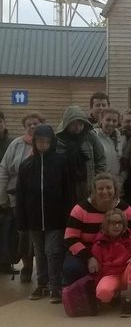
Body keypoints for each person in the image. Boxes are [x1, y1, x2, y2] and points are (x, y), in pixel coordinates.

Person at [15, 124, 71, 303]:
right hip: (33, 219)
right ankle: (42, 284)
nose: (43, 145)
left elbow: (68, 192)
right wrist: (21, 221)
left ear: (52, 142)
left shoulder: (61, 162)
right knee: (39, 252)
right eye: (40, 142)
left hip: (55, 218)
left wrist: (68, 217)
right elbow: (20, 195)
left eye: (47, 142)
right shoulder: (26, 165)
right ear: (34, 142)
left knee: (52, 251)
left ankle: (56, 287)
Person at [63, 173, 131, 286]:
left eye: (109, 188)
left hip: (115, 251)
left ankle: (116, 290)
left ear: (115, 189)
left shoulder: (125, 208)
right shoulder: (80, 209)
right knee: (72, 268)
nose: (105, 192)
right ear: (93, 191)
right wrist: (89, 258)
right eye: (100, 188)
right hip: (87, 250)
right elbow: (70, 238)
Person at [0, 112, 44, 277]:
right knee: (23, 234)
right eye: (29, 124)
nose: (33, 126)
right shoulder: (16, 145)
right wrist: (2, 196)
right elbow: (4, 169)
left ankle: (42, 271)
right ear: (24, 127)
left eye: (36, 123)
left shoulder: (48, 143)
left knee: (40, 234)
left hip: (40, 198)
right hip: (17, 197)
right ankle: (26, 267)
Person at [91, 208, 131, 317]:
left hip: (126, 273)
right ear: (106, 225)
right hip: (110, 274)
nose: (117, 226)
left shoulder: (130, 237)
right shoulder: (99, 243)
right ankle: (114, 295)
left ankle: (129, 301)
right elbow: (98, 269)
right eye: (113, 223)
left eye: (120, 223)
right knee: (103, 293)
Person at [56, 105, 106, 204]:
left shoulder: (90, 137)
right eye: (73, 124)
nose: (78, 127)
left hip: (87, 184)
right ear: (67, 124)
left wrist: (96, 180)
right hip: (67, 185)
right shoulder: (59, 141)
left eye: (80, 124)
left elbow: (100, 159)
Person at [94, 108, 125, 177]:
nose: (111, 123)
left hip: (116, 181)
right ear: (101, 120)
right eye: (108, 120)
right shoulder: (94, 136)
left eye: (114, 121)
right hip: (100, 181)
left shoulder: (120, 137)